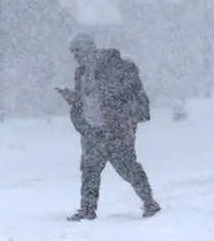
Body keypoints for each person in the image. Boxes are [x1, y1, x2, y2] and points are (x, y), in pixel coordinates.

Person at [56, 33, 160, 221]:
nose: (75, 57)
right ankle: (87, 209)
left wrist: (123, 118)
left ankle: (149, 202)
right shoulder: (81, 73)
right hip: (92, 129)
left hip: (115, 128)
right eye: (73, 53)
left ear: (88, 49)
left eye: (77, 52)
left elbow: (120, 96)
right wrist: (74, 99)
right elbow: (87, 98)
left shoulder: (111, 68)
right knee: (89, 170)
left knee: (126, 166)